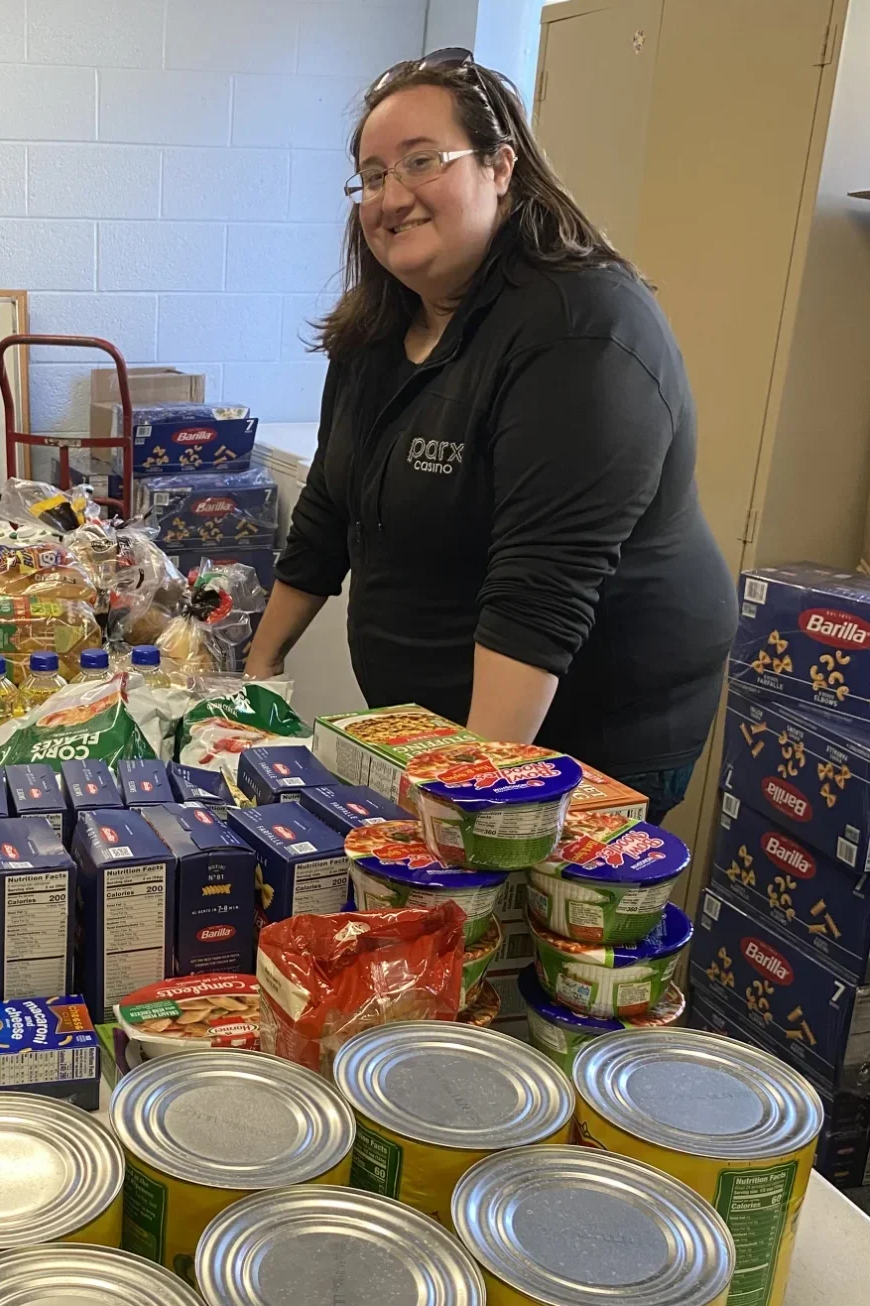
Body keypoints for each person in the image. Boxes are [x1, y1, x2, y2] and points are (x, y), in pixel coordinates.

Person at [245, 50, 736, 821]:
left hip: (583, 732)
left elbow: (539, 595)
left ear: (501, 166)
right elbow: (326, 516)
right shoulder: (378, 328)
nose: (391, 196)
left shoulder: (579, 331)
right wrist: (258, 667)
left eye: (421, 162)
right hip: (438, 731)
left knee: (524, 933)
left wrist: (468, 809)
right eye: (372, 177)